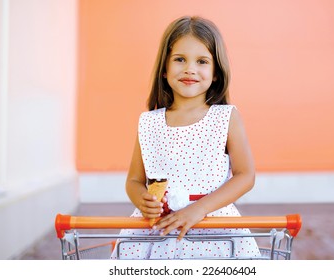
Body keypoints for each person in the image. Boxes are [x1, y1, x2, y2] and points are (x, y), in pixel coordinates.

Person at [111, 15, 260, 259]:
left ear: (215, 73)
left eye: (202, 61)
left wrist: (198, 210)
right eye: (180, 59)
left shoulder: (225, 117)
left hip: (212, 229)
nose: (190, 68)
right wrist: (143, 201)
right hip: (157, 231)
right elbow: (134, 180)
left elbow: (246, 176)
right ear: (164, 69)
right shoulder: (149, 122)